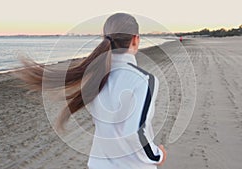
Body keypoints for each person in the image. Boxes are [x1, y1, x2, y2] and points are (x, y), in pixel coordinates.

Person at [17, 13, 166, 169]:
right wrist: (158, 155)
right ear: (135, 39)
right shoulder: (144, 80)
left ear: (104, 38)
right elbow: (135, 132)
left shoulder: (94, 76)